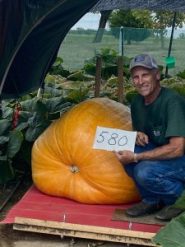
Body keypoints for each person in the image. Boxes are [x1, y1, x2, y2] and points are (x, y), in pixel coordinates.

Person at [115, 54, 185, 221]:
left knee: (143, 170)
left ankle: (179, 201)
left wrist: (137, 156)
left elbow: (177, 148)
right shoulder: (137, 102)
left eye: (145, 75)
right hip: (165, 154)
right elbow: (143, 135)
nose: (140, 81)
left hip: (181, 157)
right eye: (136, 77)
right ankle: (151, 200)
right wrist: (137, 135)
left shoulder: (172, 101)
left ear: (157, 75)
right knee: (125, 151)